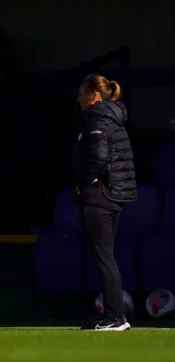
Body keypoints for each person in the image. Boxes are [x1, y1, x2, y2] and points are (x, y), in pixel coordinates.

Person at [74, 74, 137, 331]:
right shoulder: (114, 118)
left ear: (94, 95)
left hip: (100, 195)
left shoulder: (98, 119)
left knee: (104, 257)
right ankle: (114, 315)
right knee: (105, 256)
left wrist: (84, 182)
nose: (78, 97)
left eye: (81, 92)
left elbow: (98, 157)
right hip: (112, 194)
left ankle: (115, 317)